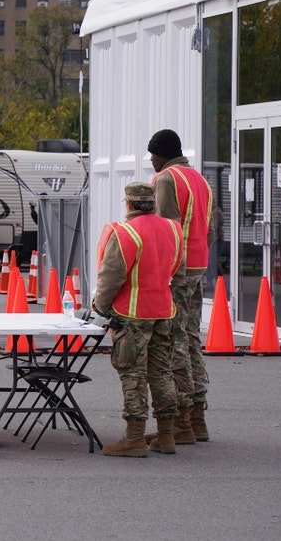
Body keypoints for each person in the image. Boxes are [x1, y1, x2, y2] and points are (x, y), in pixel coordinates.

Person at [92, 182, 185, 457]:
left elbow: (111, 276)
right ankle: (167, 435)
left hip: (131, 314)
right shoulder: (173, 229)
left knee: (133, 374)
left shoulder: (125, 233)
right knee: (161, 372)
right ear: (153, 203)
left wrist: (100, 307)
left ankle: (134, 438)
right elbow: (177, 272)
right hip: (164, 311)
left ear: (129, 204)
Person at [148, 128, 217, 445]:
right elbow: (211, 228)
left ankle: (181, 421)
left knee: (172, 339)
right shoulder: (200, 180)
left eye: (152, 154)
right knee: (190, 338)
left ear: (162, 155)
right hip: (198, 265)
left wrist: (158, 270)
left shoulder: (166, 179)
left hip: (175, 269)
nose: (151, 160)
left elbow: (164, 228)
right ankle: (198, 417)